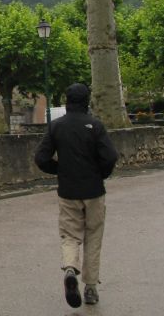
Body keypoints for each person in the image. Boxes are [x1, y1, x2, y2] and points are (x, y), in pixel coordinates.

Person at [34, 83, 118, 308]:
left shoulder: (56, 126)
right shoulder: (96, 126)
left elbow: (41, 158)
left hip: (68, 191)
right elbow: (110, 156)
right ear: (86, 101)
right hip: (93, 190)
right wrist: (100, 174)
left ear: (67, 100)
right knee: (93, 237)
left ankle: (70, 269)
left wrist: (60, 170)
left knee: (70, 235)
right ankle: (90, 288)